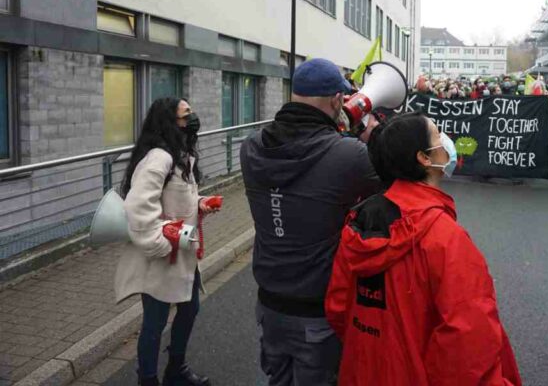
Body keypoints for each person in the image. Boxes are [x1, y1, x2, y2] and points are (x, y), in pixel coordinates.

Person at [325, 112, 523, 386]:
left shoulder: (357, 223)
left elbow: (338, 307)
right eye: (438, 134)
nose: (445, 141)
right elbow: (468, 343)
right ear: (424, 158)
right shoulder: (445, 238)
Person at [240, 59, 381, 385]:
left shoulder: (251, 147)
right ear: (336, 100)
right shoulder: (349, 154)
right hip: (319, 308)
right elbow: (387, 190)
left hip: (270, 301)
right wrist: (369, 138)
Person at [115, 97, 220, 386]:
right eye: (186, 115)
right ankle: (148, 380)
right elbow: (137, 210)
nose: (193, 119)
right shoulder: (159, 158)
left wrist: (200, 204)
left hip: (183, 251)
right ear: (169, 122)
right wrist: (161, 244)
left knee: (190, 308)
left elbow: (176, 199)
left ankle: (176, 370)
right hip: (162, 256)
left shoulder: (182, 155)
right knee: (155, 323)